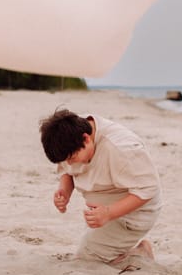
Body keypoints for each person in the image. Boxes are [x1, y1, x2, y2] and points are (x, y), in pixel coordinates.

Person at [40, 108, 160, 266]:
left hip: (133, 214)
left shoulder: (121, 148)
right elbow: (67, 170)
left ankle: (140, 253)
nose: (69, 163)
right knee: (92, 251)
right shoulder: (70, 134)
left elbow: (148, 189)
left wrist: (109, 213)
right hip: (102, 210)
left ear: (86, 139)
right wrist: (64, 191)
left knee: (86, 260)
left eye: (72, 158)